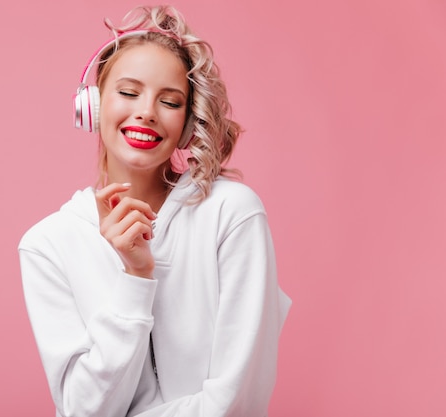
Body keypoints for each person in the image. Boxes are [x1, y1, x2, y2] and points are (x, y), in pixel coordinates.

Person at [18, 5, 291, 416]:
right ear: (91, 106)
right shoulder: (47, 245)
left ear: (186, 122)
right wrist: (137, 278)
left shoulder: (232, 214)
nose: (146, 111)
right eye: (128, 93)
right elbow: (82, 409)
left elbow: (238, 402)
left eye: (170, 101)